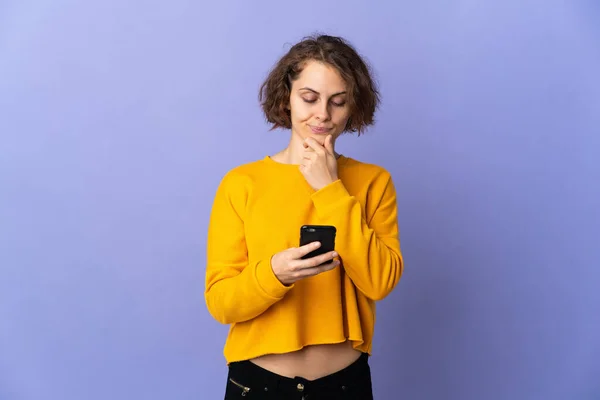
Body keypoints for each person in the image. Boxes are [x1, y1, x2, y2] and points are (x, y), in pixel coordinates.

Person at [205, 34, 404, 399]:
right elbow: (221, 301)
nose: (323, 115)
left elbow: (380, 282)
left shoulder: (373, 181)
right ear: (287, 98)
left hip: (345, 384)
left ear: (353, 107)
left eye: (338, 102)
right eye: (309, 98)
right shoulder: (242, 183)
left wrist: (330, 189)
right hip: (259, 385)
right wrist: (275, 273)